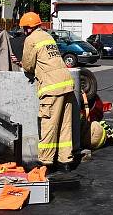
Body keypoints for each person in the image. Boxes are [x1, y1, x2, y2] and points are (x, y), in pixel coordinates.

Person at [19, 12, 74, 173]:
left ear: (28, 28)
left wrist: (22, 63)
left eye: (24, 29)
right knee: (65, 126)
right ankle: (65, 162)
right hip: (67, 84)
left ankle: (46, 162)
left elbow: (28, 65)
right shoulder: (47, 37)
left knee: (49, 124)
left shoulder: (31, 39)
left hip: (52, 87)